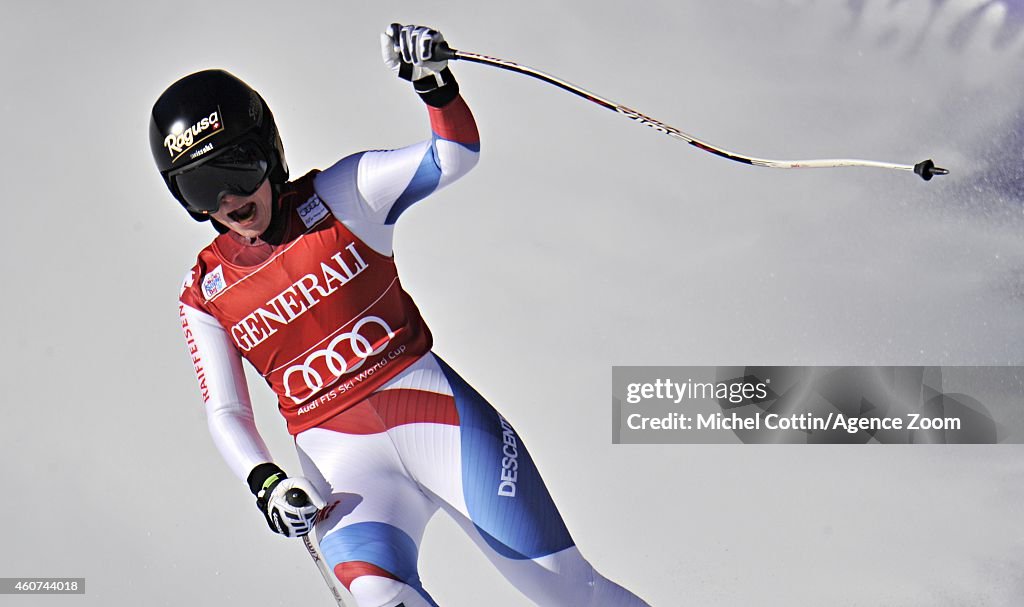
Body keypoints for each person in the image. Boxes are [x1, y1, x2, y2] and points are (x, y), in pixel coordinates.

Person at [151, 23, 650, 607]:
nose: (228, 202)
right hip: (346, 468)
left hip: (438, 421)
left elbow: (454, 157)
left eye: (234, 174)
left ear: (269, 154)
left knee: (568, 590)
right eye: (201, 189)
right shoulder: (203, 291)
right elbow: (227, 412)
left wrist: (433, 85)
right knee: (382, 598)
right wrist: (266, 483)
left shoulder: (343, 193)